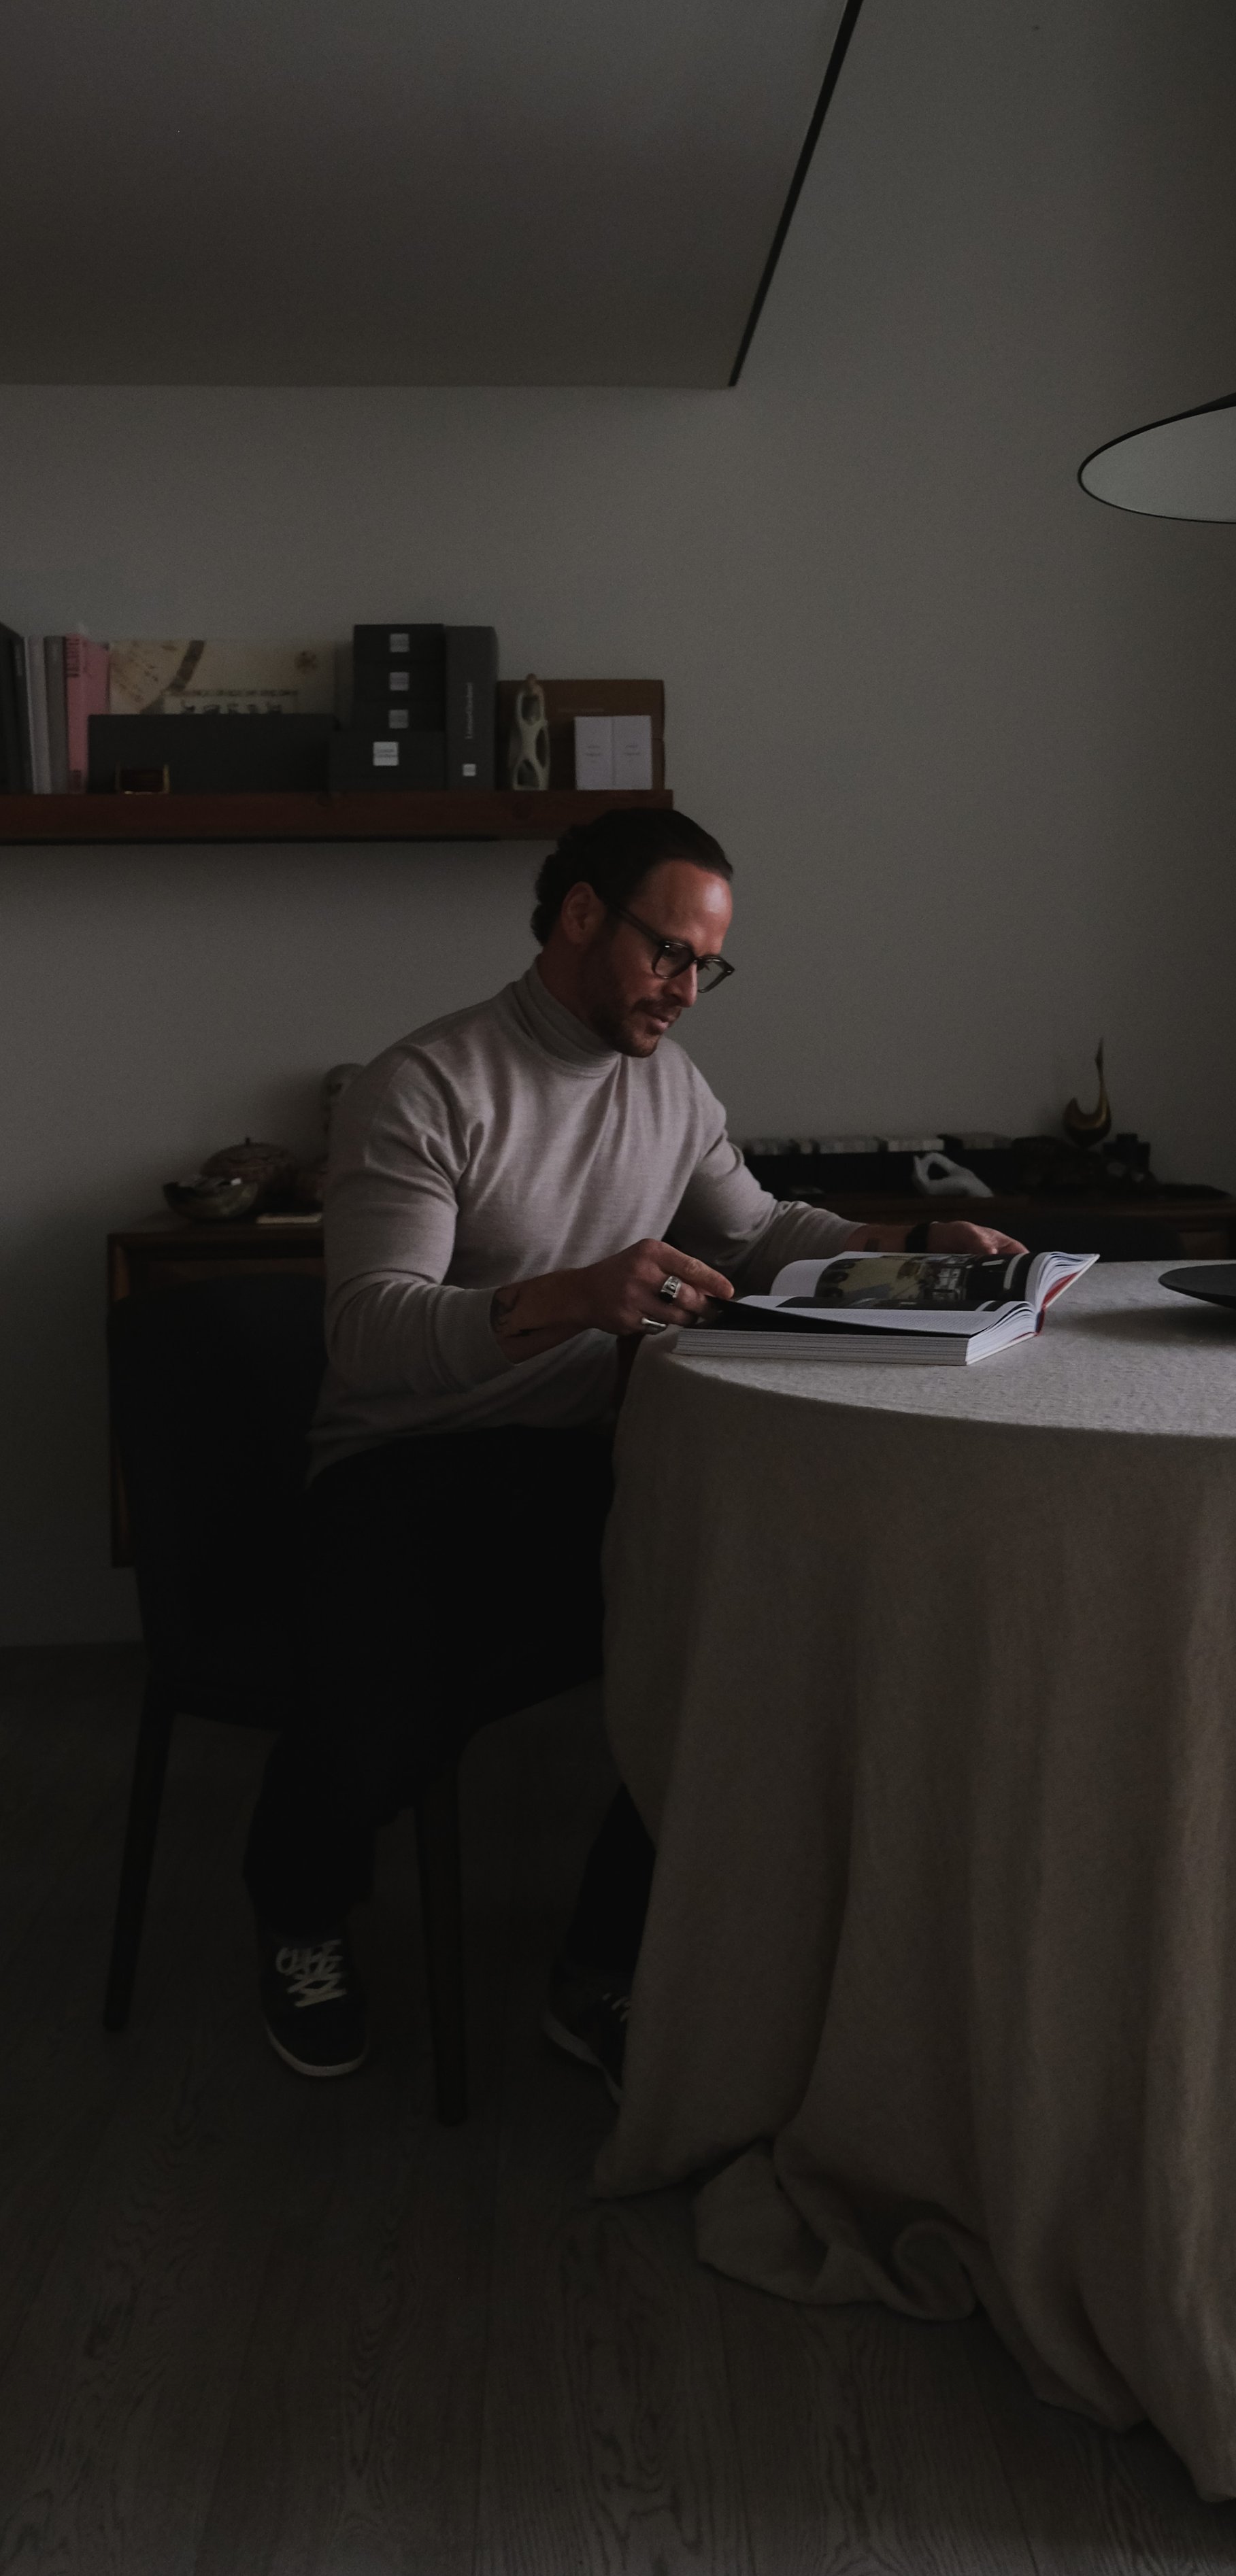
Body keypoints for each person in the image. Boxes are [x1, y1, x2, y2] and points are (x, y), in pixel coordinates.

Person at [243, 805, 1020, 2092]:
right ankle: (298, 1907)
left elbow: (763, 1232)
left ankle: (601, 1964)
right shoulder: (425, 1086)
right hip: (397, 1468)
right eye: (670, 954)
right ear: (581, 916)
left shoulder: (668, 1086)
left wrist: (915, 1252)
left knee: (748, 1641)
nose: (686, 992)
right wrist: (563, 1296)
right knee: (381, 1695)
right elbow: (370, 1335)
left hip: (573, 1463)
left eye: (707, 967)